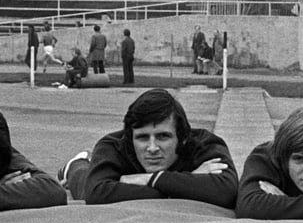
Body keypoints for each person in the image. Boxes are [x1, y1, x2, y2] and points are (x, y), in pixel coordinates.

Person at [58, 88, 238, 208]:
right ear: (130, 139)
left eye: (163, 136)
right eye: (142, 138)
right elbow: (96, 194)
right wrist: (187, 183)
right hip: (89, 179)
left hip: (132, 183)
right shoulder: (112, 146)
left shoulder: (205, 144)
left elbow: (227, 191)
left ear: (183, 138)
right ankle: (76, 164)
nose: (152, 148)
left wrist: (147, 179)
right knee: (83, 184)